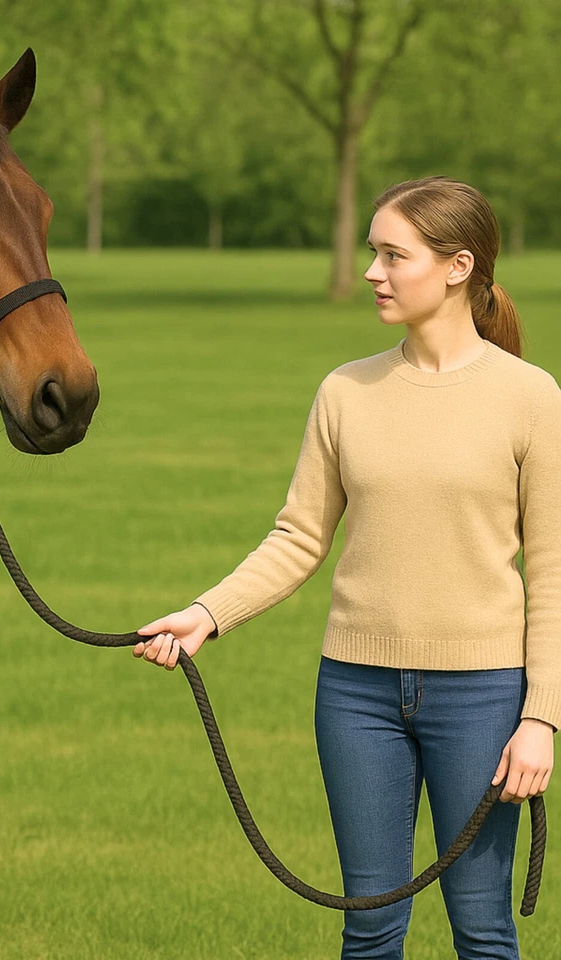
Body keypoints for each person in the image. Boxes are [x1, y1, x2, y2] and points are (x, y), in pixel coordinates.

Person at [134, 176, 557, 960]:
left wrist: (540, 719)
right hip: (355, 693)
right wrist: (206, 614)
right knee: (369, 928)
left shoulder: (530, 399)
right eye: (373, 252)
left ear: (458, 266)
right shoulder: (345, 392)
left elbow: (554, 576)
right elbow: (298, 537)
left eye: (393, 255)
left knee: (483, 930)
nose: (373, 271)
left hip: (485, 697)